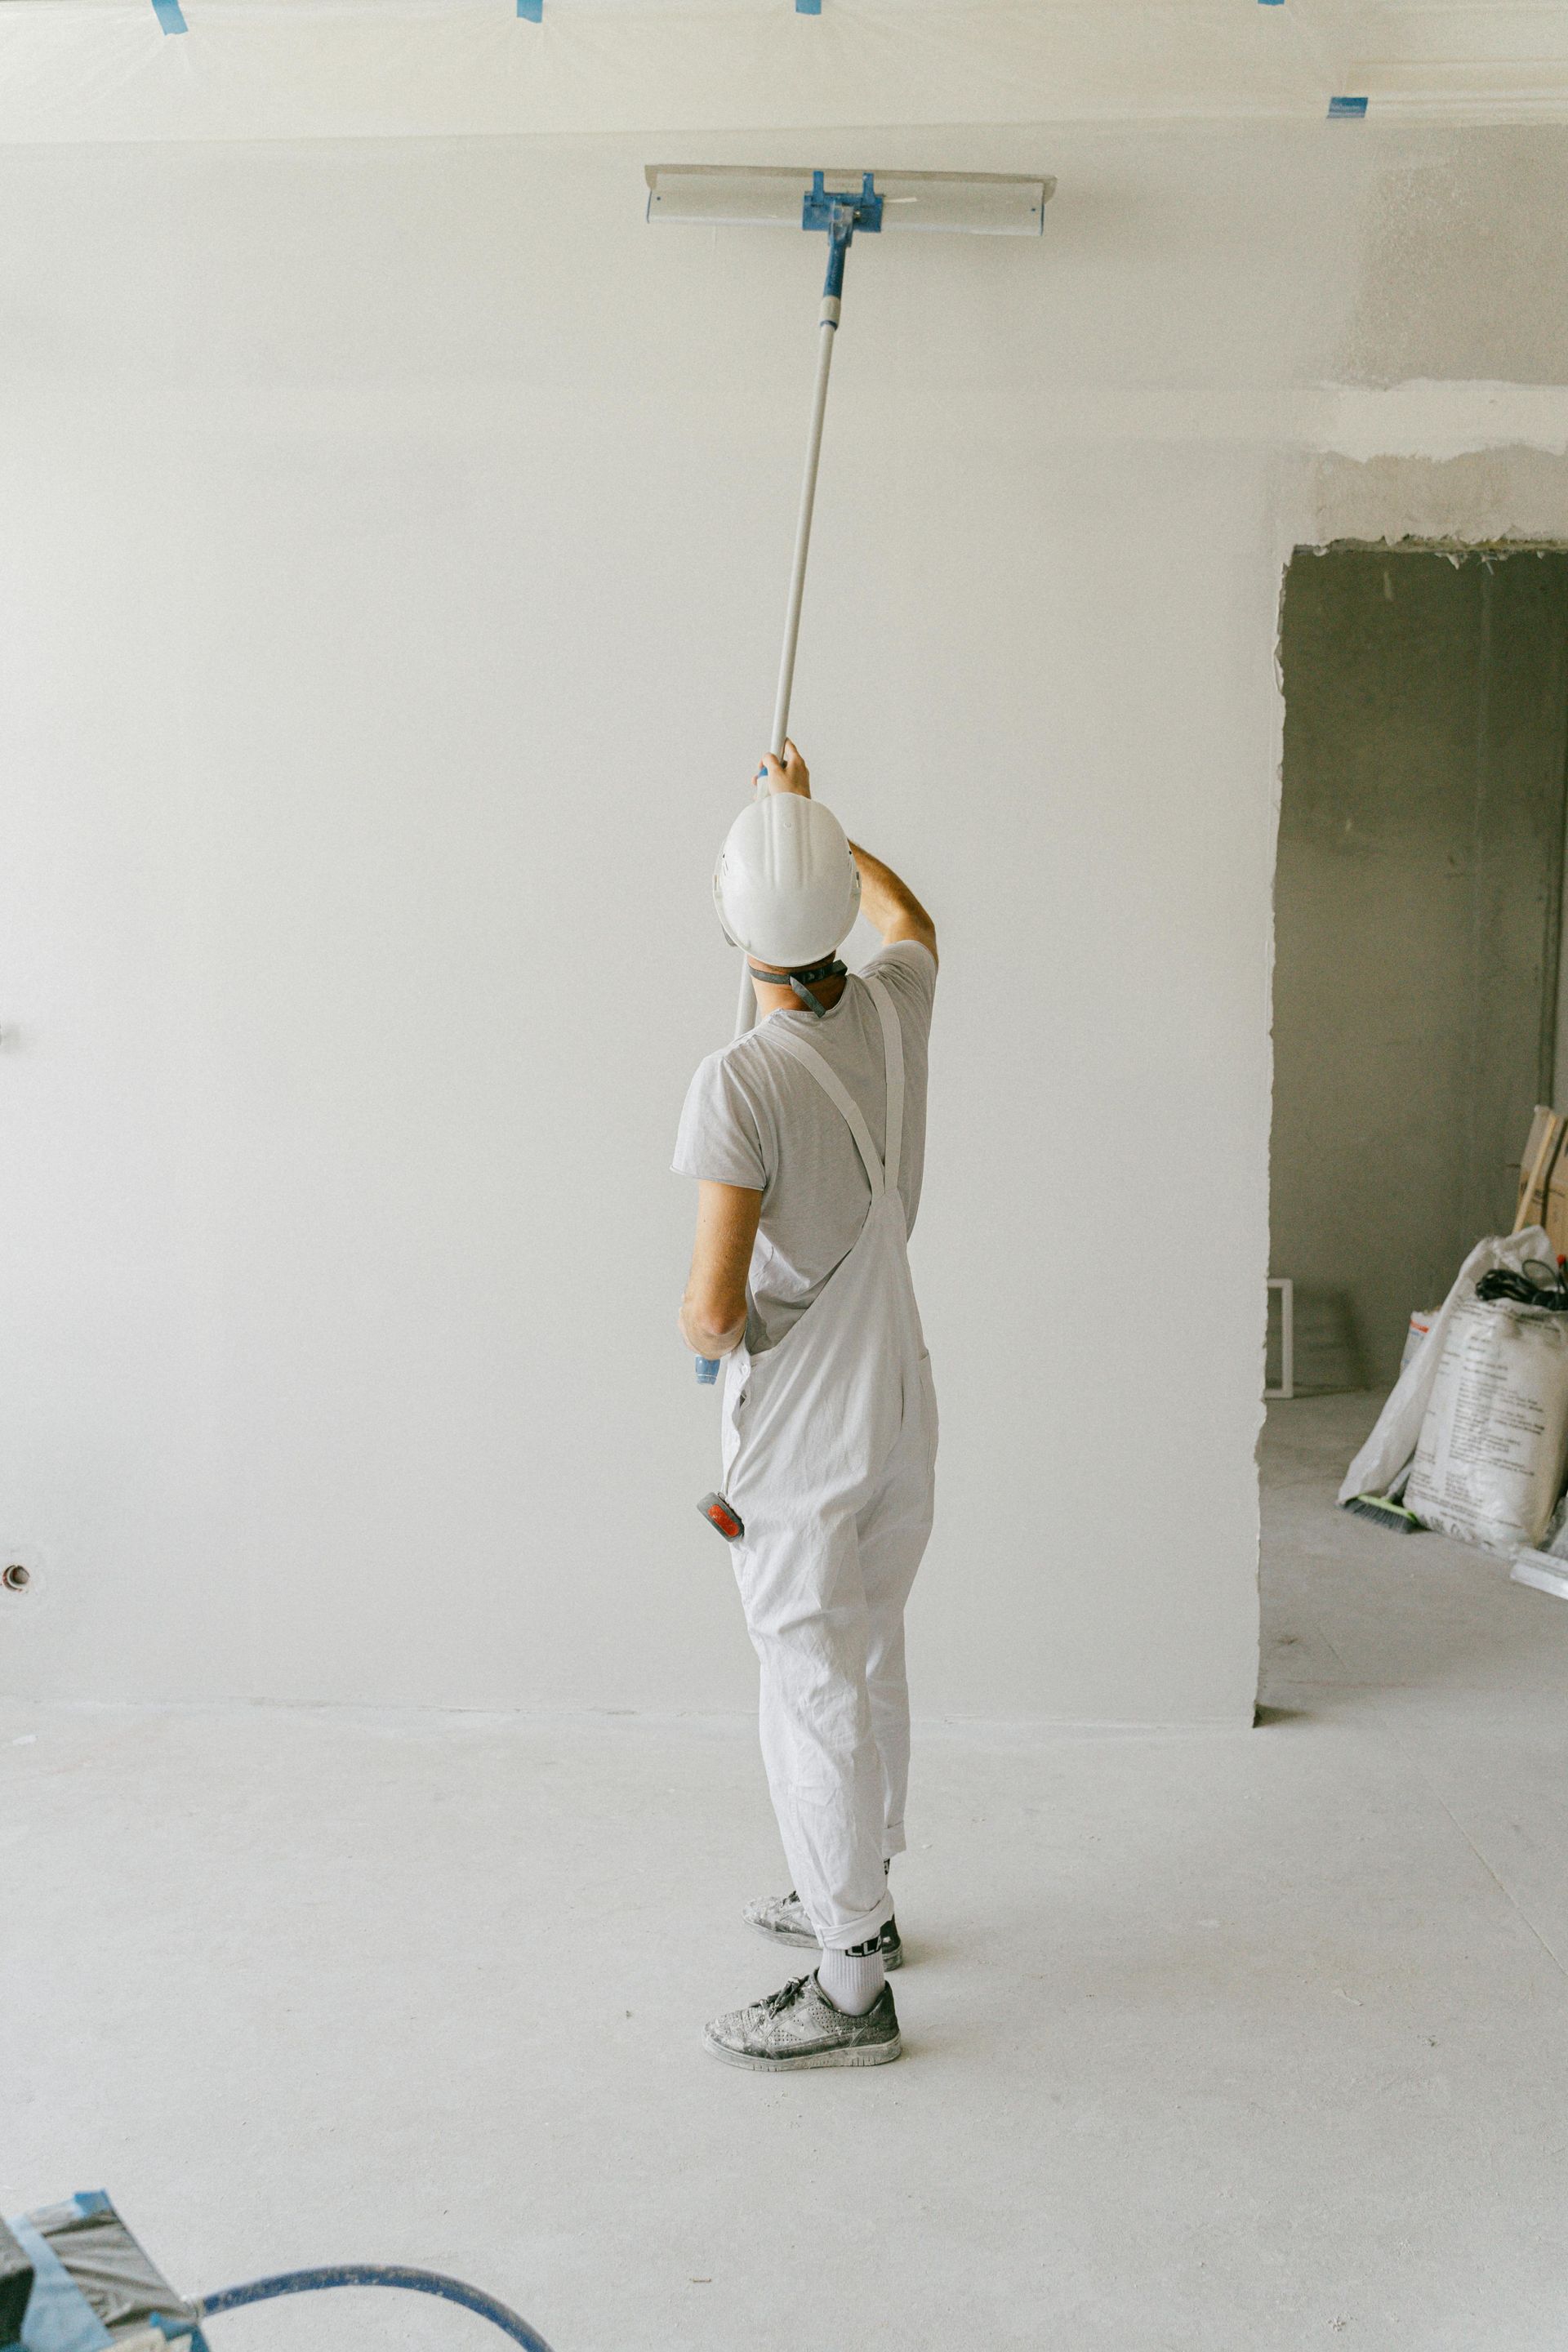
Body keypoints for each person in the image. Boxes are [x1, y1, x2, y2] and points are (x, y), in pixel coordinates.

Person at [673, 740, 939, 2072]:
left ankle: (847, 1986)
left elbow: (717, 1311)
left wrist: (699, 1343)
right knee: (871, 1639)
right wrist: (809, 820)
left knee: (806, 1681)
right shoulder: (897, 1002)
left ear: (732, 928)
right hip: (899, 1395)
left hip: (801, 1426)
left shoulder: (742, 1080)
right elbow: (911, 922)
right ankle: (871, 1901)